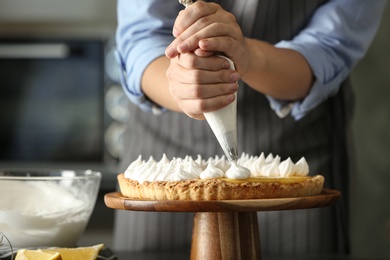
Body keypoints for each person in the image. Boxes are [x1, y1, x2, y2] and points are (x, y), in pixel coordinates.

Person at [113, 0, 386, 256]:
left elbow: (329, 45)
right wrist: (180, 85)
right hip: (163, 167)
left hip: (291, 164)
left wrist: (249, 56)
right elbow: (141, 35)